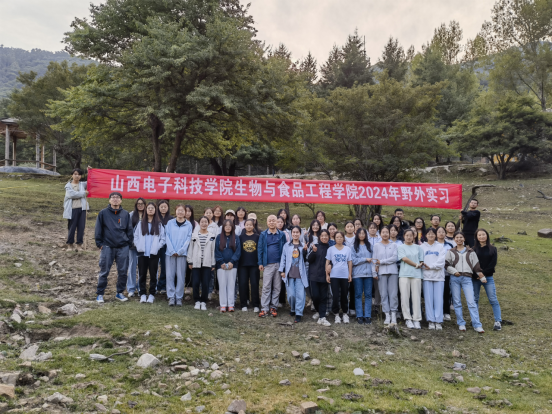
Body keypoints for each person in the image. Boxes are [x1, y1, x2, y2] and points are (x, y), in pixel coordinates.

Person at [94, 192, 133, 303]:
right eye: (113, 197)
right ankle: (100, 294)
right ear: (109, 200)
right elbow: (98, 229)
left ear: (121, 200)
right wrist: (99, 243)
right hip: (107, 246)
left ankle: (120, 293)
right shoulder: (103, 213)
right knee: (104, 271)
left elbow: (129, 230)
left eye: (117, 197)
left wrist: (129, 243)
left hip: (123, 247)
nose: (115, 199)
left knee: (123, 271)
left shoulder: (125, 214)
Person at [445, 231, 485, 333]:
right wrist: (454, 271)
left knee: (471, 302)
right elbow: (446, 265)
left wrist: (481, 276)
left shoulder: (471, 251)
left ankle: (477, 324)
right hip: (455, 278)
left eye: (461, 237)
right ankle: (461, 323)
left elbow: (476, 266)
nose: (459, 239)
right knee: (457, 302)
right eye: (457, 237)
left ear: (464, 239)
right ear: (454, 239)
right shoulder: (450, 252)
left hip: (467, 279)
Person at [135, 202, 166, 304]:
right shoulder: (140, 223)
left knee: (153, 274)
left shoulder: (159, 224)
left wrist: (157, 247)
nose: (151, 210)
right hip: (142, 253)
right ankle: (143, 294)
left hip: (154, 254)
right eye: (149, 208)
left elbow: (163, 238)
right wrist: (138, 246)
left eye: (152, 208)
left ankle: (152, 294)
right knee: (142, 274)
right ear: (146, 210)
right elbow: (136, 237)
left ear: (155, 210)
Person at [473, 228, 502, 331]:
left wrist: (483, 274)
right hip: (475, 278)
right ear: (476, 237)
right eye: (479, 235)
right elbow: (472, 263)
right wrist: (478, 274)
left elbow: (492, 264)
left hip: (488, 277)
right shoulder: (473, 249)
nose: (482, 237)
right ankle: (475, 320)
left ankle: (498, 321)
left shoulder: (493, 249)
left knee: (493, 299)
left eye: (483, 234)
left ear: (487, 236)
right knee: (475, 299)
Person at [258, 215, 286, 318]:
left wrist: (284, 265)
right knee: (266, 286)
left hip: (279, 264)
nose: (271, 222)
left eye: (273, 220)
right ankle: (264, 308)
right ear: (267, 223)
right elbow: (260, 249)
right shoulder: (263, 234)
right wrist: (260, 263)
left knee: (277, 287)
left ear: (276, 222)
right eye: (269, 221)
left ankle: (273, 307)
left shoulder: (281, 234)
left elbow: (285, 249)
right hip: (267, 264)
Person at [279, 226, 309, 323]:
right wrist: (282, 271)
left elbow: (307, 260)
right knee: (291, 295)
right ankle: (293, 308)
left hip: (300, 274)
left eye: (297, 232)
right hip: (290, 274)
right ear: (291, 234)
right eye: (294, 232)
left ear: (300, 234)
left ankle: (299, 313)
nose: (295, 234)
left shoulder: (303, 245)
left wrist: (305, 251)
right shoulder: (287, 245)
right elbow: (283, 258)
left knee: (300, 295)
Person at [165, 205, 193, 306]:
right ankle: (171, 297)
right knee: (170, 275)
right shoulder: (170, 223)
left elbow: (188, 239)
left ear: (185, 212)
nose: (180, 212)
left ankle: (179, 297)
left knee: (181, 276)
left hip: (182, 254)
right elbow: (167, 236)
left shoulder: (188, 224)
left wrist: (181, 251)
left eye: (182, 211)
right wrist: (172, 250)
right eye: (178, 210)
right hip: (170, 253)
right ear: (175, 211)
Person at [187, 216, 216, 310]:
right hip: (196, 262)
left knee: (205, 283)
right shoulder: (194, 235)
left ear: (208, 223)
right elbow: (190, 249)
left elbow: (213, 250)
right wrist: (190, 261)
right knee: (195, 282)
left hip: (207, 263)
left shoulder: (212, 236)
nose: (204, 224)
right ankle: (197, 300)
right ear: (199, 223)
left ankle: (203, 301)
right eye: (202, 222)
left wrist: (213, 263)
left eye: (205, 222)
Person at [397, 229, 424, 329]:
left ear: (414, 236)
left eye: (411, 235)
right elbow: (404, 259)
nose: (409, 237)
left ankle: (416, 319)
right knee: (405, 297)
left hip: (416, 275)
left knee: (416, 298)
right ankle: (407, 318)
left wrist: (420, 264)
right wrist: (416, 265)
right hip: (404, 275)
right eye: (407, 235)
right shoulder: (401, 247)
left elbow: (421, 260)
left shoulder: (418, 248)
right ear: (404, 236)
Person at [420, 228, 446, 330]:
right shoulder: (421, 247)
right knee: (428, 299)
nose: (431, 235)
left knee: (438, 299)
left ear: (435, 235)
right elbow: (420, 260)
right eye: (429, 234)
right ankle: (430, 320)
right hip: (426, 276)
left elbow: (441, 262)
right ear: (425, 235)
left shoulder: (440, 247)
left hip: (439, 277)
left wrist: (431, 266)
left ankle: (438, 320)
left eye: (432, 234)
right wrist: (425, 266)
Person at [373, 226, 399, 326]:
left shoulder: (394, 245)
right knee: (383, 294)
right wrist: (374, 272)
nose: (385, 234)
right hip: (381, 272)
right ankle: (387, 314)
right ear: (380, 234)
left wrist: (382, 262)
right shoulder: (376, 245)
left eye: (386, 232)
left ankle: (393, 314)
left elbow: (394, 258)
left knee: (393, 294)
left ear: (389, 233)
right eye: (383, 232)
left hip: (393, 272)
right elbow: (374, 259)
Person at [326, 231, 353, 324]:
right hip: (334, 275)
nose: (339, 239)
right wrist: (327, 275)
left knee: (344, 295)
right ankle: (336, 314)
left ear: (343, 238)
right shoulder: (330, 249)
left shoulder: (347, 249)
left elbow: (349, 262)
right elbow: (327, 262)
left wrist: (350, 274)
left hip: (344, 275)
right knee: (335, 295)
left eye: (341, 237)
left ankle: (345, 313)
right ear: (335, 238)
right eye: (337, 237)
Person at [215, 219, 241, 313]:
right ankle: (223, 305)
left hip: (232, 266)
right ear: (223, 227)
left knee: (231, 285)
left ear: (232, 227)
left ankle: (231, 305)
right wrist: (221, 262)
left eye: (230, 225)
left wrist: (232, 262)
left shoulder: (236, 237)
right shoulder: (219, 237)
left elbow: (238, 251)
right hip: (221, 266)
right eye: (226, 225)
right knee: (222, 285)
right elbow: (216, 251)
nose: (228, 227)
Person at [307, 230, 331, 326]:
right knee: (315, 296)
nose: (324, 237)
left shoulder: (331, 248)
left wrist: (331, 266)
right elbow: (308, 259)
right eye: (322, 236)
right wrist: (314, 252)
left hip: (325, 276)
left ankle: (322, 317)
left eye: (326, 236)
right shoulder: (315, 246)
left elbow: (333, 261)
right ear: (319, 237)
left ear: (329, 237)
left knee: (323, 297)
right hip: (314, 276)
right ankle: (318, 311)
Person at [351, 228, 375, 324]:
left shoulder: (370, 246)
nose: (361, 235)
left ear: (366, 235)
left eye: (363, 233)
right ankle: (359, 315)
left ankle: (367, 315)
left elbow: (373, 259)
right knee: (358, 295)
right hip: (357, 274)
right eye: (360, 233)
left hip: (369, 274)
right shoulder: (353, 247)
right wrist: (365, 259)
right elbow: (353, 260)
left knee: (368, 295)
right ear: (357, 235)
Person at [63, 168, 89, 251]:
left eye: (79, 174)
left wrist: (90, 171)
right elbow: (71, 195)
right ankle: (70, 245)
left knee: (81, 227)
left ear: (81, 176)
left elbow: (92, 181)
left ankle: (79, 245)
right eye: (75, 174)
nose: (77, 176)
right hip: (72, 209)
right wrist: (83, 193)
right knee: (72, 227)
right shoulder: (68, 186)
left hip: (82, 208)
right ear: (72, 175)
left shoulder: (83, 184)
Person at [238, 219, 261, 312]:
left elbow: (260, 250)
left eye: (250, 225)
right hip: (242, 265)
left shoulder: (257, 237)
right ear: (244, 226)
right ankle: (243, 304)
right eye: (247, 224)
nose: (249, 226)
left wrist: (260, 262)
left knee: (254, 284)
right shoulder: (240, 237)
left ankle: (256, 304)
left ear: (253, 226)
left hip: (254, 264)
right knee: (243, 284)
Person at [127, 198, 146, 297]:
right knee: (132, 267)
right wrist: (131, 242)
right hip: (133, 246)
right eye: (138, 203)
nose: (140, 205)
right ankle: (131, 288)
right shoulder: (131, 215)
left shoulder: (147, 215)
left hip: (143, 246)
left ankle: (140, 288)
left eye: (142, 203)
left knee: (142, 268)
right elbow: (128, 230)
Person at [437, 226, 454, 322]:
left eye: (443, 232)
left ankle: (446, 312)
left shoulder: (449, 245)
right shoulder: (433, 244)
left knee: (446, 293)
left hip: (446, 273)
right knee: (437, 294)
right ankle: (438, 311)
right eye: (439, 232)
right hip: (435, 273)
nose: (441, 233)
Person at [156, 200, 173, 295]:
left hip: (166, 246)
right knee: (154, 266)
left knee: (164, 266)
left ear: (168, 208)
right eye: (161, 207)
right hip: (155, 245)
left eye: (165, 207)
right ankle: (155, 285)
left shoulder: (171, 219)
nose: (163, 208)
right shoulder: (155, 218)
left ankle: (162, 285)